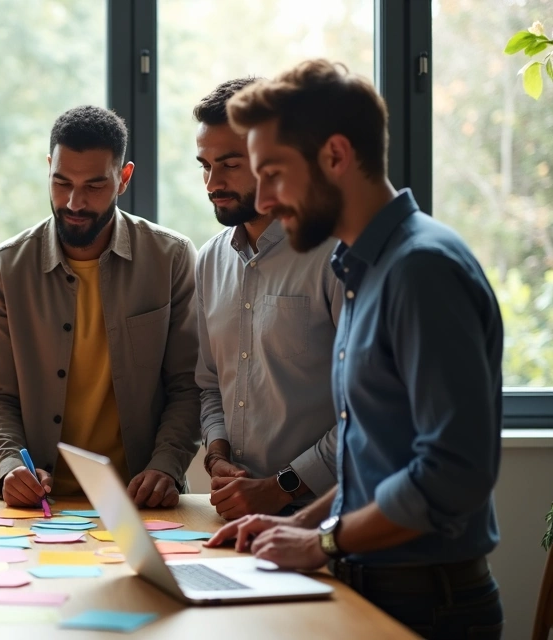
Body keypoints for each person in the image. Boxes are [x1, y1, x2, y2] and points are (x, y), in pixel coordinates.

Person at [208, 59, 504, 639]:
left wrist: (319, 540)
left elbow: (451, 476)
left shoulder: (422, 270)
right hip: (367, 588)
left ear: (336, 157)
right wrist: (293, 525)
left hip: (426, 609)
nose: (263, 200)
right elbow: (378, 460)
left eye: (274, 174)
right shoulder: (360, 267)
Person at [0, 105, 201, 509]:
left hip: (143, 504)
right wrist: (10, 465)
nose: (74, 202)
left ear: (124, 178)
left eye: (94, 187)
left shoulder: (172, 257)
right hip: (42, 508)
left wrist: (167, 466)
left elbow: (188, 386)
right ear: (48, 168)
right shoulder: (6, 268)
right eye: (61, 182)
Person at [191, 78, 341, 520]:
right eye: (204, 165)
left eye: (230, 164)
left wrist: (280, 488)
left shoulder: (336, 254)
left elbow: (367, 417)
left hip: (324, 524)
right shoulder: (209, 260)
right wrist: (216, 455)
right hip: (235, 520)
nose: (212, 183)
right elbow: (209, 385)